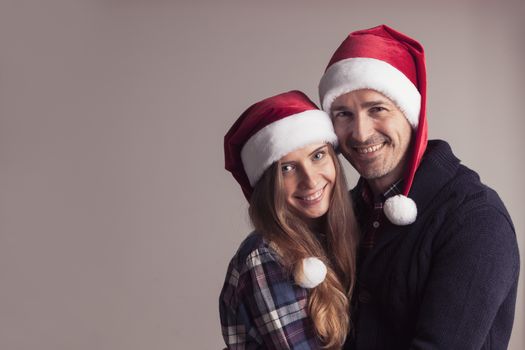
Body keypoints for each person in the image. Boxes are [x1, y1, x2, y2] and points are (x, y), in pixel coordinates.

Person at [318, 24, 520, 349]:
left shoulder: (476, 220)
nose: (360, 133)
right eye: (343, 114)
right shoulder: (347, 210)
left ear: (411, 113)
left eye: (377, 109)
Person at [221, 90, 359, 349]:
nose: (310, 180)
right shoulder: (265, 258)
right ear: (268, 185)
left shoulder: (331, 236)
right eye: (287, 168)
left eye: (318, 155)